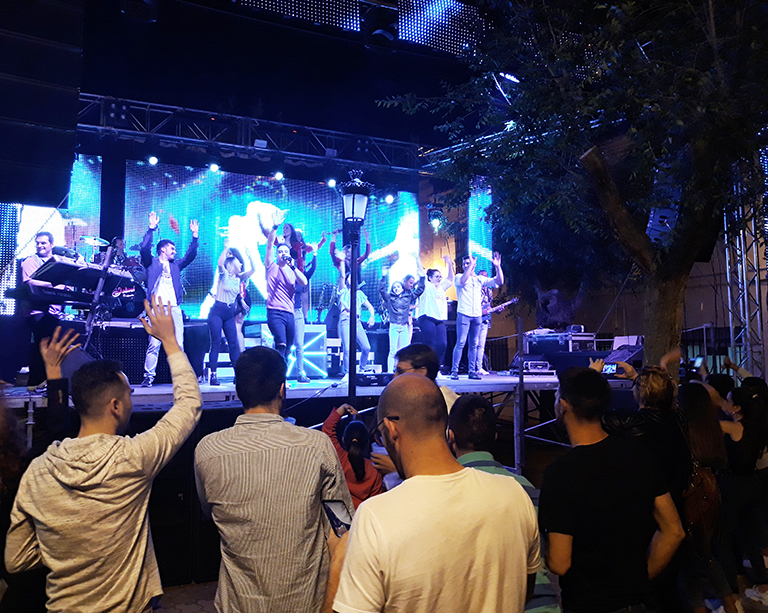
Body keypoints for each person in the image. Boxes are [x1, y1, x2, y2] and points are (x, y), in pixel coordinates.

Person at [6, 296, 203, 613]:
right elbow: (189, 405)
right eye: (129, 393)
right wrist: (170, 342)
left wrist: (67, 548)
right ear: (115, 406)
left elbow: (16, 560)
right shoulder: (134, 458)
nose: (131, 399)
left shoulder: (39, 471)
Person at [332, 374, 540, 613]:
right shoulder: (514, 495)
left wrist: (338, 562)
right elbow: (525, 591)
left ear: (391, 428)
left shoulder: (374, 517)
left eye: (380, 435)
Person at [194, 346, 353, 613]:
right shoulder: (317, 446)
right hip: (306, 605)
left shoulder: (207, 451)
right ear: (282, 389)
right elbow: (342, 528)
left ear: (238, 390)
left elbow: (209, 512)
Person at [538, 367, 685, 613]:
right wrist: (640, 578)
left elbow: (560, 563)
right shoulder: (639, 457)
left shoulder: (560, 473)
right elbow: (674, 530)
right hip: (639, 603)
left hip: (588, 604)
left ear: (563, 406)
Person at [447, 393, 560, 613]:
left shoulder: (445, 490)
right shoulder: (526, 487)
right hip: (542, 604)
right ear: (495, 437)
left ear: (450, 436)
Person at [140, 211, 199, 387]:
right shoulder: (152, 263)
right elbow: (144, 249)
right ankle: (148, 377)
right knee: (154, 345)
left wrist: (195, 237)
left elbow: (190, 255)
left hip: (174, 309)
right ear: (163, 250)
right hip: (157, 310)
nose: (175, 251)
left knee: (178, 345)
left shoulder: (176, 265)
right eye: (172, 249)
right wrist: (151, 228)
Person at [207, 243, 255, 386]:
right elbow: (220, 263)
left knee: (233, 344)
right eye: (238, 262)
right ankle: (213, 375)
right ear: (232, 265)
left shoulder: (239, 278)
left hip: (229, 312)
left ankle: (238, 375)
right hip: (217, 311)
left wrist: (250, 256)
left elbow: (253, 270)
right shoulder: (224, 276)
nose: (240, 264)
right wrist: (225, 248)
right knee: (215, 343)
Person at [451, 251, 503, 380]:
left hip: (477, 315)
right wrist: (470, 266)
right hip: (464, 314)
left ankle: (472, 371)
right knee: (461, 342)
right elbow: (462, 281)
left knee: (474, 344)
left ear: (474, 265)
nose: (466, 265)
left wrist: (498, 267)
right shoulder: (459, 276)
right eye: (465, 264)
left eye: (468, 263)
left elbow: (499, 282)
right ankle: (454, 371)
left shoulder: (479, 279)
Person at [21, 231, 63, 387]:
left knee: (50, 349)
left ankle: (47, 383)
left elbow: (66, 284)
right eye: (38, 243)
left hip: (53, 313)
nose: (40, 246)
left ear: (52, 244)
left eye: (43, 243)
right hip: (37, 313)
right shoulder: (30, 261)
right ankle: (35, 383)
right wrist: (54, 284)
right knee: (40, 348)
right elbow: (29, 282)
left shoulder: (58, 262)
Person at [322, 404, 384, 509]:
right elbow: (376, 502)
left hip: (340, 515)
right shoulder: (375, 469)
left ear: (343, 440)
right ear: (367, 442)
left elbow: (327, 430)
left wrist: (342, 409)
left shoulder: (339, 459)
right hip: (362, 516)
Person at [266, 224, 307, 361]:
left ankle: (279, 371)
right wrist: (274, 227)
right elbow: (270, 244)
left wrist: (293, 267)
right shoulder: (271, 266)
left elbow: (304, 282)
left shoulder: (292, 270)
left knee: (288, 349)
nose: (283, 254)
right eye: (280, 252)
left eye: (285, 251)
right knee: (281, 345)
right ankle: (278, 374)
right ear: (277, 255)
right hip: (275, 312)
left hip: (290, 313)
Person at [379, 262, 425, 372]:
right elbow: (381, 290)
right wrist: (384, 276)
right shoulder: (389, 298)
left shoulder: (408, 297)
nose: (396, 288)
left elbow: (420, 290)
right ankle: (390, 372)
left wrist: (422, 277)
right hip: (394, 326)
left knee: (405, 351)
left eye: (398, 286)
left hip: (404, 326)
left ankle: (404, 371)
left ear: (402, 287)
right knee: (393, 350)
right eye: (394, 287)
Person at [416, 255, 454, 372]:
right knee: (431, 344)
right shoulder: (426, 286)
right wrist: (417, 257)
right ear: (430, 278)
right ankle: (427, 369)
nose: (439, 278)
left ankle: (436, 369)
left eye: (440, 276)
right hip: (427, 318)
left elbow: (450, 279)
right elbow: (421, 272)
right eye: (437, 276)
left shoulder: (441, 288)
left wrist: (449, 263)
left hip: (439, 319)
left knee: (442, 344)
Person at [337, 260, 375, 375]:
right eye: (349, 278)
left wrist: (372, 316)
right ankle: (347, 373)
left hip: (357, 321)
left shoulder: (359, 294)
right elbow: (342, 277)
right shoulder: (343, 291)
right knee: (347, 349)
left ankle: (361, 370)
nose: (351, 279)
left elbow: (370, 307)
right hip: (346, 320)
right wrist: (342, 262)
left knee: (366, 347)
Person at [294, 250, 318, 383]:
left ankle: (300, 373)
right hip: (285, 311)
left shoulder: (300, 277)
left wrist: (314, 254)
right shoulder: (282, 274)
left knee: (299, 344)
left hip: (297, 312)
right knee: (284, 345)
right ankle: (280, 376)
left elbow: (312, 269)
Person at [475, 270, 494, 374]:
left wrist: (495, 310)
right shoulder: (474, 289)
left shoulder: (489, 290)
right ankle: (472, 368)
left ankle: (479, 367)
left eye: (486, 276)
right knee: (474, 344)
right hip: (475, 319)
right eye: (483, 276)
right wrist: (480, 311)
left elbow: (488, 305)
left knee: (481, 345)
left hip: (485, 320)